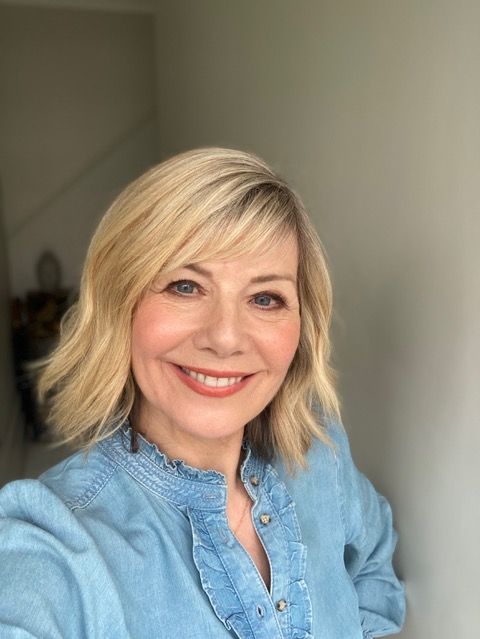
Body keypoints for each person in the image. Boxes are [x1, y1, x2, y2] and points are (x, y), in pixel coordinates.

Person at [0, 148, 405, 638]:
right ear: (119, 303)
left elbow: (373, 571)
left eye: (265, 298)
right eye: (185, 286)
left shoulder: (319, 451)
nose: (226, 337)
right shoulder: (55, 541)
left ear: (303, 325)